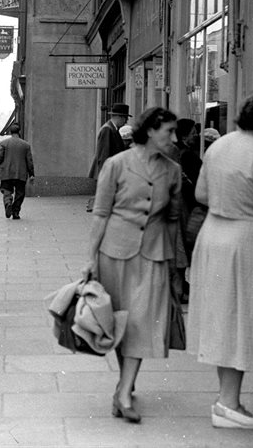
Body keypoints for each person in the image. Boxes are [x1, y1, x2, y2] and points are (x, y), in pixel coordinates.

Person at [187, 89, 253, 430]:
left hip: (214, 235)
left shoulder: (219, 145)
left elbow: (201, 193)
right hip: (246, 240)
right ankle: (228, 403)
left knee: (226, 321)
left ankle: (227, 399)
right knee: (242, 320)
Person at [82, 106, 181, 424]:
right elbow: (100, 213)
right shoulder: (116, 165)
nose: (174, 138)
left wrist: (178, 263)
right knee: (119, 325)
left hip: (153, 254)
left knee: (140, 323)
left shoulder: (172, 170)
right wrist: (90, 259)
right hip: (114, 253)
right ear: (151, 130)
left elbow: (174, 219)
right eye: (169, 131)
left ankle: (124, 393)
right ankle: (126, 381)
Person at [87, 103, 131, 212]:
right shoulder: (108, 129)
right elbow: (104, 155)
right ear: (119, 117)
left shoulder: (111, 129)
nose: (126, 122)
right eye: (125, 118)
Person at [0, 123, 35, 220]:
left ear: (10, 132)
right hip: (20, 173)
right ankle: (16, 212)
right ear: (19, 132)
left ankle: (8, 202)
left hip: (6, 172)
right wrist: (31, 174)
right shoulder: (26, 145)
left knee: (6, 190)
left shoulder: (4, 143)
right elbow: (29, 161)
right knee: (20, 193)